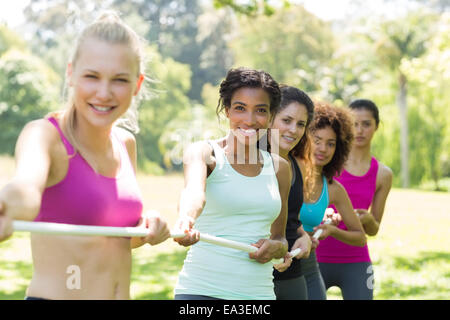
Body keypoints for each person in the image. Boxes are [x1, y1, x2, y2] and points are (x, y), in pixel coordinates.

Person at [0, 12, 170, 300]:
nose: (104, 93)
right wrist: (6, 205)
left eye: (119, 80)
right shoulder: (45, 135)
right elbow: (25, 190)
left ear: (137, 84)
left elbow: (110, 238)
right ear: (71, 74)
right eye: (92, 76)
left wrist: (149, 227)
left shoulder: (125, 143)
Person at [173, 67, 291, 300]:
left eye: (260, 110)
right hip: (200, 291)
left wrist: (278, 248)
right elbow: (194, 193)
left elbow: (280, 237)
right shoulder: (204, 152)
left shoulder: (280, 168)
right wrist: (186, 219)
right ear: (226, 110)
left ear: (270, 116)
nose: (249, 120)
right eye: (240, 108)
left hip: (259, 295)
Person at [316, 99, 393, 300]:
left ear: (377, 126)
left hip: (356, 260)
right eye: (354, 123)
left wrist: (367, 219)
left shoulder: (383, 174)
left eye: (366, 124)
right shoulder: (325, 161)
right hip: (316, 257)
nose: (359, 130)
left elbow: (373, 229)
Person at [297, 102, 367, 300]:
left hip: (309, 268)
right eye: (317, 140)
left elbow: (360, 237)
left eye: (331, 143)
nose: (323, 149)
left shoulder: (334, 189)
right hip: (277, 266)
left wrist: (331, 230)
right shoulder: (287, 173)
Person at [269, 85, 314, 300]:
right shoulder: (248, 161)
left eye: (300, 124)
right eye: (286, 120)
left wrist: (304, 237)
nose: (294, 130)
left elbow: (292, 220)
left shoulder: (297, 164)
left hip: (293, 274)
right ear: (269, 118)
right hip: (253, 274)